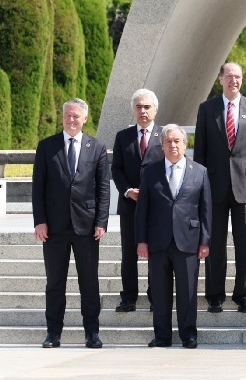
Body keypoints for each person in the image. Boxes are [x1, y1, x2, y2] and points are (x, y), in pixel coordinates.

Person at [32, 98, 110, 349]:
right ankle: (53, 333)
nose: (71, 119)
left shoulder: (96, 147)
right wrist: (40, 221)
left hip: (86, 227)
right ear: (62, 117)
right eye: (67, 115)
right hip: (54, 228)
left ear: (85, 118)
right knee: (55, 283)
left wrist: (101, 221)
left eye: (76, 116)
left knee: (89, 282)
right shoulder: (47, 147)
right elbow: (38, 188)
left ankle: (92, 333)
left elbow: (103, 189)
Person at [194, 62, 246, 314]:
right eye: (229, 76)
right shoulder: (207, 109)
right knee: (214, 242)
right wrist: (199, 187)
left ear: (241, 80)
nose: (233, 81)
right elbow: (200, 152)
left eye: (238, 77)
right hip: (213, 186)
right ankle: (215, 296)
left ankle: (243, 295)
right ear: (220, 80)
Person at [136, 125, 211, 349]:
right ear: (162, 146)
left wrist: (205, 241)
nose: (173, 145)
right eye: (168, 141)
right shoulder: (151, 171)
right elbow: (142, 209)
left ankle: (188, 335)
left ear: (185, 144)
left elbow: (206, 210)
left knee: (188, 292)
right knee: (160, 292)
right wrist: (141, 240)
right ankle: (162, 336)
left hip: (188, 240)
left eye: (177, 141)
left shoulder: (200, 171)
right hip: (158, 241)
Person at [111, 88, 163, 313]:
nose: (143, 111)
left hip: (157, 207)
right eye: (139, 107)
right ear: (133, 110)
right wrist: (127, 191)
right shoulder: (123, 136)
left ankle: (156, 297)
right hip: (130, 205)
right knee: (129, 254)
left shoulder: (166, 135)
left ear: (155, 109)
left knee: (155, 252)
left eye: (147, 107)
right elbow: (117, 169)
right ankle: (129, 297)